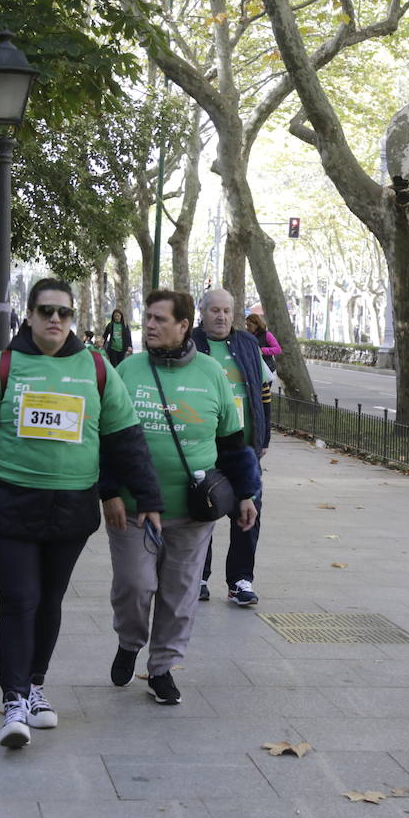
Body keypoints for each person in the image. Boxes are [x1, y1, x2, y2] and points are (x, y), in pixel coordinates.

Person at [0, 278, 163, 748]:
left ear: (73, 318)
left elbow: (127, 441)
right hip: (6, 505)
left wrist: (149, 499)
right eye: (45, 311)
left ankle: (35, 685)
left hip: (70, 508)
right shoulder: (3, 367)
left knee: (50, 599)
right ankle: (14, 700)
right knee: (20, 599)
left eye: (63, 312)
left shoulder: (97, 368)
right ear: (30, 316)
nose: (55, 320)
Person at [101, 289, 259, 705]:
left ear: (183, 325)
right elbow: (106, 437)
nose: (149, 325)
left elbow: (231, 441)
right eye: (147, 318)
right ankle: (130, 641)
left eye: (158, 319)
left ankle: (162, 668)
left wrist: (246, 493)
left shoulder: (211, 374)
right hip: (134, 509)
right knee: (135, 585)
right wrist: (109, 492)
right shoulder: (128, 371)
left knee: (179, 593)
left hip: (194, 510)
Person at [194, 288, 272, 607]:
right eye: (215, 310)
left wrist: (263, 435)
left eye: (227, 310)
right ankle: (197, 575)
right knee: (202, 511)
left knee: (248, 510)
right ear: (202, 312)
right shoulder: (190, 344)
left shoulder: (248, 344)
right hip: (203, 446)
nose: (222, 316)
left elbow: (263, 390)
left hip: (243, 447)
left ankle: (241, 580)